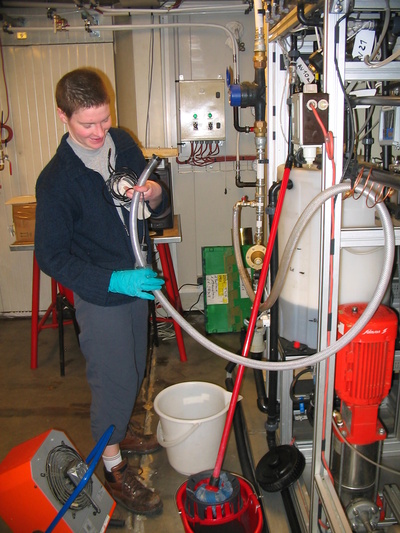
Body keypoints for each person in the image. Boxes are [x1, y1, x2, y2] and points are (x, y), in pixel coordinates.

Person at [35, 68, 168, 516]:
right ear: (63, 116)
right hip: (103, 291)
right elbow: (51, 257)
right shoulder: (56, 181)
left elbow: (157, 199)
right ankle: (111, 467)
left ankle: (121, 428)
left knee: (133, 366)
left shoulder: (123, 142)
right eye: (86, 124)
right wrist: (113, 280)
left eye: (103, 120)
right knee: (113, 379)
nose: (98, 133)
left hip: (137, 278)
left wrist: (152, 194)